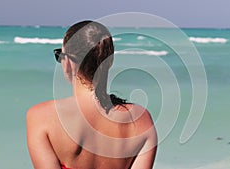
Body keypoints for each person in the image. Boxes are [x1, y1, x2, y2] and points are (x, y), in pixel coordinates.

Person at [26, 20, 157, 169]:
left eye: (60, 55)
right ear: (110, 61)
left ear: (67, 61)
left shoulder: (41, 117)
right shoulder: (141, 120)